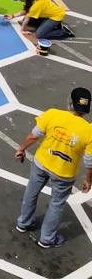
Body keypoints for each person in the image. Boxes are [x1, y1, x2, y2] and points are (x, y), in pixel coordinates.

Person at [15, 88, 92, 248]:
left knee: (31, 191)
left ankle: (24, 223)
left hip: (41, 162)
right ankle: (47, 238)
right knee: (57, 203)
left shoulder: (53, 114)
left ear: (70, 102)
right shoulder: (89, 131)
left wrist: (21, 148)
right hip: (64, 173)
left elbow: (33, 135)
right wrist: (88, 180)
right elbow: (89, 161)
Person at [8, 0, 73, 43]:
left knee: (39, 35)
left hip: (56, 16)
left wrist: (22, 30)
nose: (19, 0)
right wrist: (13, 16)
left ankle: (64, 32)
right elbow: (25, 11)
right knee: (27, 20)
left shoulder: (35, 6)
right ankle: (52, 25)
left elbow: (27, 17)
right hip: (49, 13)